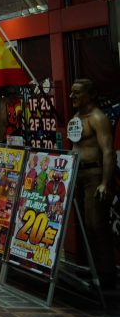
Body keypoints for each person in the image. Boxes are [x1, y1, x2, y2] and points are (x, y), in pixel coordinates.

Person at [68, 78, 116, 288]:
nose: (72, 97)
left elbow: (108, 151)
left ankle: (107, 274)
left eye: (77, 93)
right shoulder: (77, 118)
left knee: (97, 224)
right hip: (79, 176)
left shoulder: (98, 118)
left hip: (94, 176)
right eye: (72, 93)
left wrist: (105, 182)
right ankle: (95, 268)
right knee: (87, 225)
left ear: (90, 94)